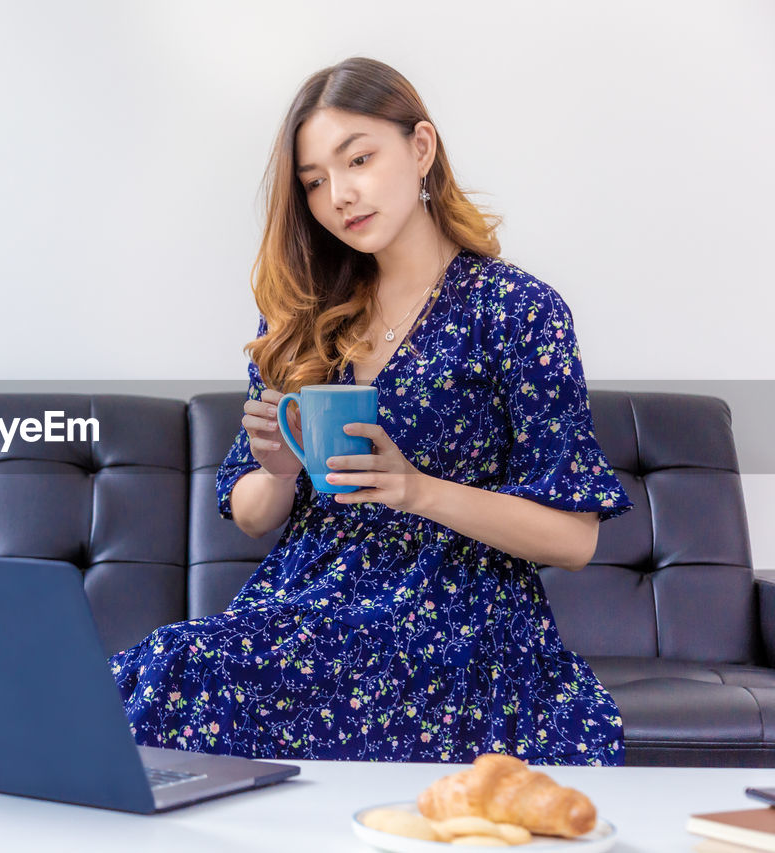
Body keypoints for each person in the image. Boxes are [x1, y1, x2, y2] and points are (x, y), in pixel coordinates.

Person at [107, 56, 634, 766]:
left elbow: (574, 539)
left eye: (358, 159)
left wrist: (415, 489)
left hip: (459, 613)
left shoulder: (517, 312)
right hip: (308, 601)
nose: (340, 196)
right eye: (315, 182)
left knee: (187, 672)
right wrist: (279, 468)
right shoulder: (299, 314)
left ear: (421, 148)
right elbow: (254, 509)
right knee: (161, 667)